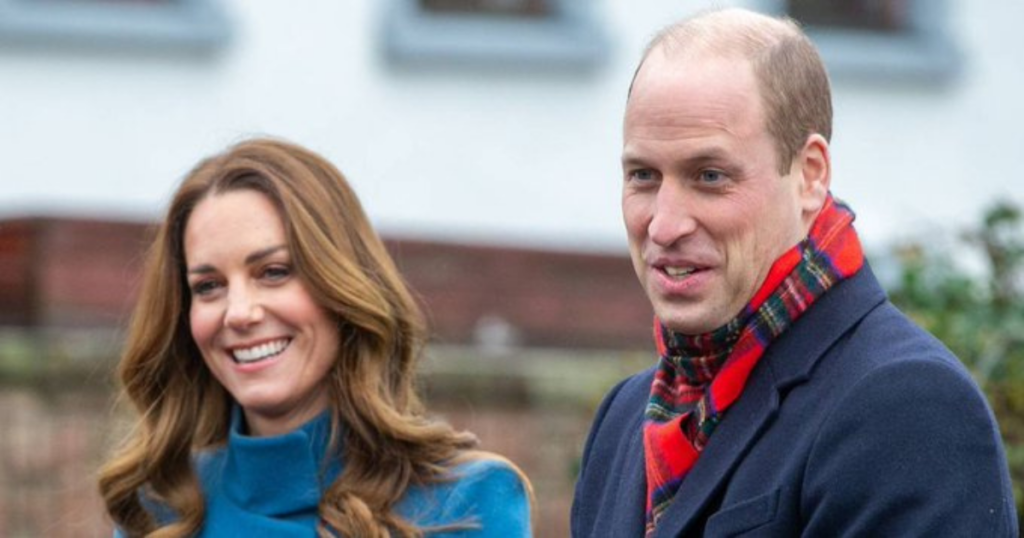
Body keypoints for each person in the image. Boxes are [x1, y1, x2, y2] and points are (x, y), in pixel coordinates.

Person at [572, 8, 1018, 538]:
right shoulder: (623, 419)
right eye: (643, 175)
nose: (664, 225)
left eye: (710, 176)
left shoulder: (909, 406)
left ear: (809, 176)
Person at [98, 138, 533, 537]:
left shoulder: (467, 500)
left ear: (341, 288)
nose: (239, 313)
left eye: (274, 272)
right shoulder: (159, 510)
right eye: (209, 286)